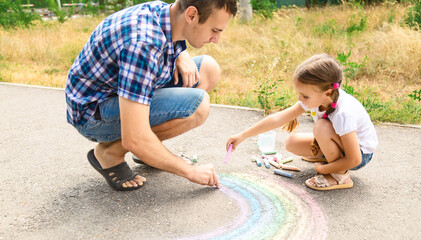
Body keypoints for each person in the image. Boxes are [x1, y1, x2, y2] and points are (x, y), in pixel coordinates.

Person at [65, 0, 237, 191]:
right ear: (191, 15)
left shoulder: (167, 14)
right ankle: (109, 154)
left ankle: (148, 152)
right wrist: (190, 171)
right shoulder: (143, 45)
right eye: (214, 30)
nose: (216, 39)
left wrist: (181, 54)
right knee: (198, 106)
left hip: (121, 90)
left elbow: (170, 30)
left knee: (207, 70)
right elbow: (134, 138)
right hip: (93, 113)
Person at [227, 54, 378, 191]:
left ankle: (340, 176)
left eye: (305, 96)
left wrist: (325, 169)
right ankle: (331, 157)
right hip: (342, 146)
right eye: (299, 94)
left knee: (321, 127)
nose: (300, 99)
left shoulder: (344, 113)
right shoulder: (318, 98)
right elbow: (278, 118)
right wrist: (242, 135)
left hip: (360, 154)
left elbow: (354, 159)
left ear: (328, 92)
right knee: (291, 142)